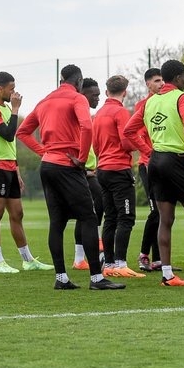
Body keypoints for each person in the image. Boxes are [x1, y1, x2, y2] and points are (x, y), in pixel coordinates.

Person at [15, 65, 124, 291]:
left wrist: (43, 152)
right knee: (89, 218)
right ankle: (96, 278)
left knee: (57, 222)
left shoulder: (44, 101)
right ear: (79, 81)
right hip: (67, 165)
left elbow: (22, 132)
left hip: (48, 166)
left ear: (61, 78)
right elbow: (86, 126)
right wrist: (82, 159)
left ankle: (61, 278)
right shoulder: (77, 98)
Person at [124, 60, 184, 287]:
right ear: (177, 78)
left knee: (165, 220)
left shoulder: (150, 102)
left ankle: (167, 275)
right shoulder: (181, 97)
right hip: (176, 160)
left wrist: (149, 151)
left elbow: (129, 130)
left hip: (155, 162)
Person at [0, 71, 52, 274]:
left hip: (9, 167)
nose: (14, 93)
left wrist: (17, 170)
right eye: (11, 89)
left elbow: (10, 147)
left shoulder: (6, 109)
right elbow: (9, 135)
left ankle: (27, 260)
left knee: (17, 214)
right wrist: (16, 109)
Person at [92, 74, 143, 278]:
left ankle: (110, 263)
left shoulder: (99, 113)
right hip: (118, 169)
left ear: (106, 92)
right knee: (126, 217)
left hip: (103, 168)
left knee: (110, 217)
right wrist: (140, 143)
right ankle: (120, 264)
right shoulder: (120, 112)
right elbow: (126, 142)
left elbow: (94, 145)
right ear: (125, 92)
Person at [134, 68, 164, 272]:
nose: (161, 84)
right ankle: (144, 255)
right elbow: (134, 134)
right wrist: (149, 153)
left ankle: (159, 259)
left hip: (164, 164)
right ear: (148, 84)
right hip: (147, 164)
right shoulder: (142, 106)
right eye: (156, 80)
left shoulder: (167, 101)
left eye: (162, 80)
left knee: (164, 211)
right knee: (156, 211)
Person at [74, 77, 103, 270]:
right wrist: (83, 168)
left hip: (91, 170)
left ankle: (79, 258)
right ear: (83, 95)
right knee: (92, 208)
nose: (98, 99)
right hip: (81, 172)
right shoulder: (77, 115)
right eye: (95, 95)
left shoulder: (88, 116)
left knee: (88, 212)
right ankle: (84, 256)